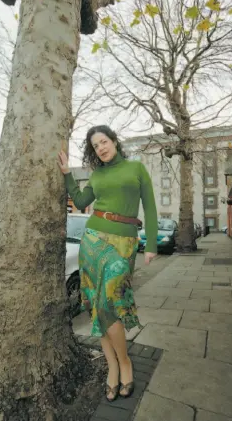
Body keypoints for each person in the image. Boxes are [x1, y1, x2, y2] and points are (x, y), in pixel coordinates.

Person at [58, 125, 158, 402]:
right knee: (95, 305)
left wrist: (150, 245)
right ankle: (112, 365)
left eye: (104, 142)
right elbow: (79, 201)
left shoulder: (136, 168)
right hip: (92, 240)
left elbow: (149, 207)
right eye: (95, 146)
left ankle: (124, 361)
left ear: (114, 141)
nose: (101, 148)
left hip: (123, 242)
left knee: (111, 301)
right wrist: (67, 175)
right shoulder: (97, 174)